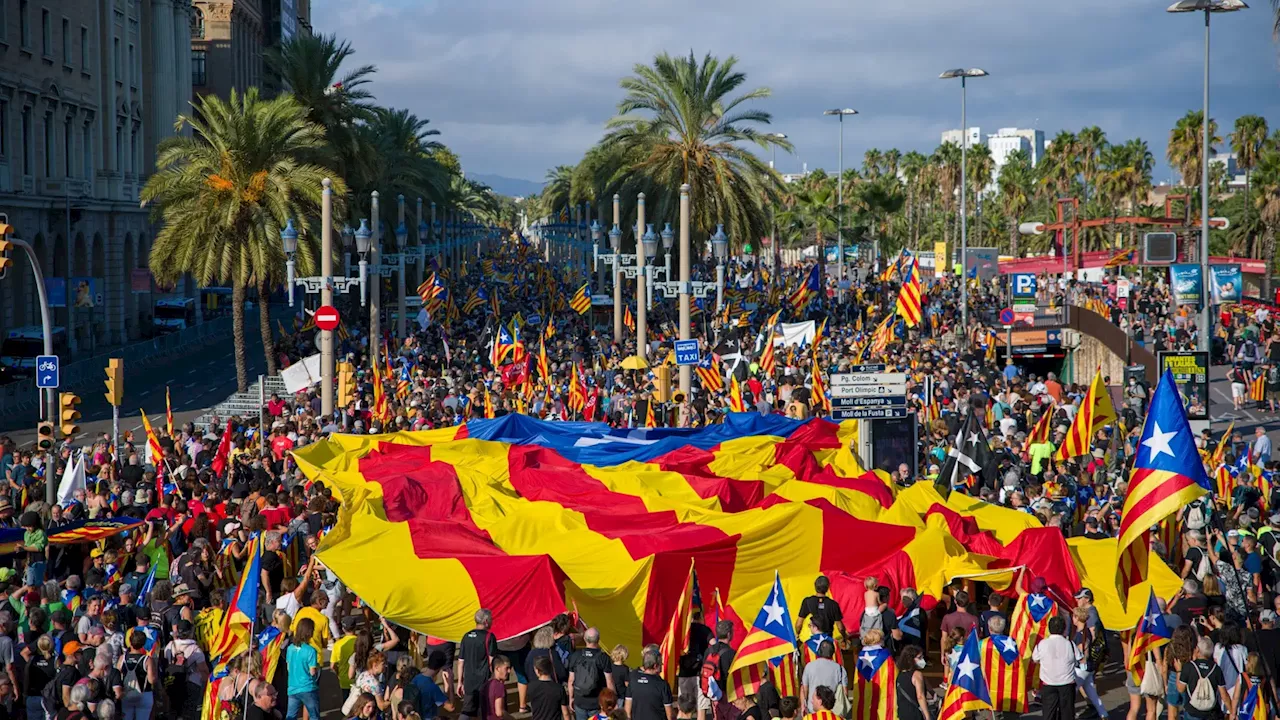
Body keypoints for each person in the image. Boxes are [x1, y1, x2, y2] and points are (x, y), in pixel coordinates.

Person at [1031, 616, 1078, 720]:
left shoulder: (1042, 644)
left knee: (1048, 713)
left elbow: (1035, 659)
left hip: (1048, 684)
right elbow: (1078, 658)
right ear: (1064, 628)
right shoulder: (1070, 644)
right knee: (1067, 714)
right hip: (1067, 684)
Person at [457, 609, 499, 720]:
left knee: (467, 710)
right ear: (485, 621)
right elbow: (492, 661)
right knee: (484, 710)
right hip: (484, 682)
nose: (492, 622)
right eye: (490, 620)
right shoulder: (490, 637)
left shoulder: (466, 636)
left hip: (469, 682)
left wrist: (460, 682)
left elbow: (460, 662)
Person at [1176, 636, 1232, 720]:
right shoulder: (1216, 669)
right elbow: (1224, 695)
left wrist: (1178, 671)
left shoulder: (1189, 667)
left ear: (1197, 650)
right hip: (1210, 713)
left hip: (1192, 711)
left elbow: (1180, 689)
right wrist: (1232, 711)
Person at [567, 627, 613, 720]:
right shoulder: (603, 658)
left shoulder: (576, 655)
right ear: (598, 639)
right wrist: (611, 702)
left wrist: (571, 698)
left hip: (579, 701)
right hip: (597, 702)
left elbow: (571, 680)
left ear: (584, 639)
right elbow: (610, 682)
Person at [285, 618, 320, 720]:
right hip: (308, 687)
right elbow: (312, 672)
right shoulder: (311, 651)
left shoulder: (290, 648)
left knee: (290, 716)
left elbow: (288, 668)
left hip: (292, 687)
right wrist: (317, 668)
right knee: (314, 716)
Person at [625, 645, 673, 720]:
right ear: (655, 666)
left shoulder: (633, 681)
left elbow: (627, 711)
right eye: (661, 664)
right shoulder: (662, 685)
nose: (662, 666)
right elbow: (670, 715)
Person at [799, 639, 845, 714]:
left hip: (812, 710)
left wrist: (803, 706)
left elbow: (804, 689)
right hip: (833, 711)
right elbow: (844, 692)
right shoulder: (840, 669)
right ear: (832, 653)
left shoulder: (809, 666)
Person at [796, 576, 846, 642]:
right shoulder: (833, 604)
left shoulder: (807, 601)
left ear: (815, 586)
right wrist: (844, 637)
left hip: (813, 642)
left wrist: (797, 634)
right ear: (828, 588)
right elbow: (840, 628)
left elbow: (799, 624)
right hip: (828, 640)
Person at [527, 656, 570, 720]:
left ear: (537, 670)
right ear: (551, 669)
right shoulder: (559, 688)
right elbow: (565, 713)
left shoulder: (531, 686)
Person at [894, 646, 930, 720]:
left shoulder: (900, 675)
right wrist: (927, 716)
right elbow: (920, 696)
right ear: (911, 660)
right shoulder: (917, 674)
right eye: (919, 658)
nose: (922, 660)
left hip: (902, 712)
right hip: (915, 713)